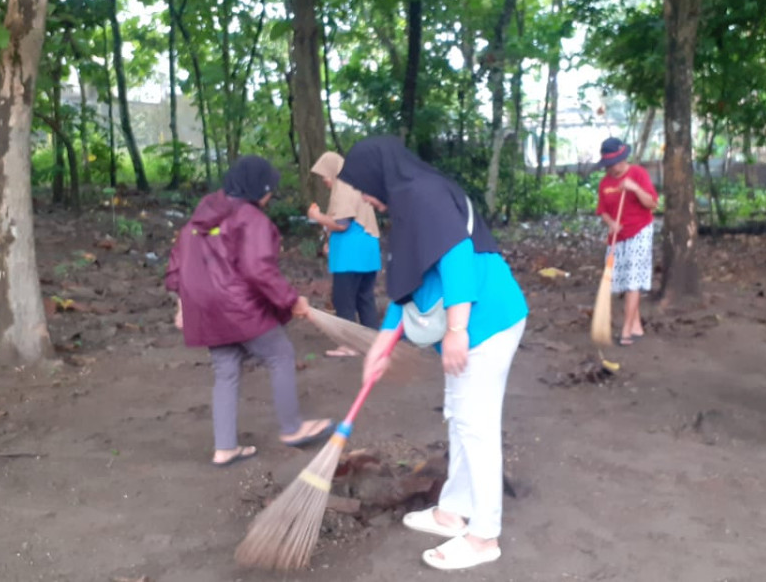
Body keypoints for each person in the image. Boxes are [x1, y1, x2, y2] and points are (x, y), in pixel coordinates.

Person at [338, 136, 528, 571]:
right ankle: (453, 511)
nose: (365, 197)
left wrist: (458, 330)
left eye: (362, 186)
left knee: (475, 425)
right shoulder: (408, 201)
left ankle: (483, 537)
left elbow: (458, 255)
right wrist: (382, 346)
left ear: (377, 175)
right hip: (473, 323)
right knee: (461, 418)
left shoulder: (422, 194)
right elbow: (412, 287)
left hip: (486, 322)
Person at [166, 156, 334, 467]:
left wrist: (182, 306)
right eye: (270, 190)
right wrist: (291, 300)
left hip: (204, 309)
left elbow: (176, 266)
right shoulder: (251, 219)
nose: (271, 197)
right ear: (260, 189)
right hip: (239, 306)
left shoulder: (196, 221)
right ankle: (292, 428)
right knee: (279, 354)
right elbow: (259, 270)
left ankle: (225, 447)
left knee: (226, 370)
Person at [307, 152, 382, 357]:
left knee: (344, 300)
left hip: (351, 256)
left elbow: (342, 224)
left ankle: (349, 345)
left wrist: (317, 217)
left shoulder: (344, 186)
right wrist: (330, 243)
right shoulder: (357, 184)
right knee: (364, 298)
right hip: (367, 253)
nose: (324, 180)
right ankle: (372, 342)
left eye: (325, 175)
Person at [594, 137, 658, 346]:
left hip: (640, 231)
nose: (613, 168)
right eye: (609, 165)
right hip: (618, 236)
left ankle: (626, 330)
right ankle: (636, 325)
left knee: (633, 281)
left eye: (616, 163)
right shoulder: (605, 183)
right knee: (620, 280)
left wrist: (634, 188)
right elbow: (602, 211)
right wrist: (611, 223)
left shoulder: (638, 173)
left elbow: (652, 204)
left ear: (624, 159)